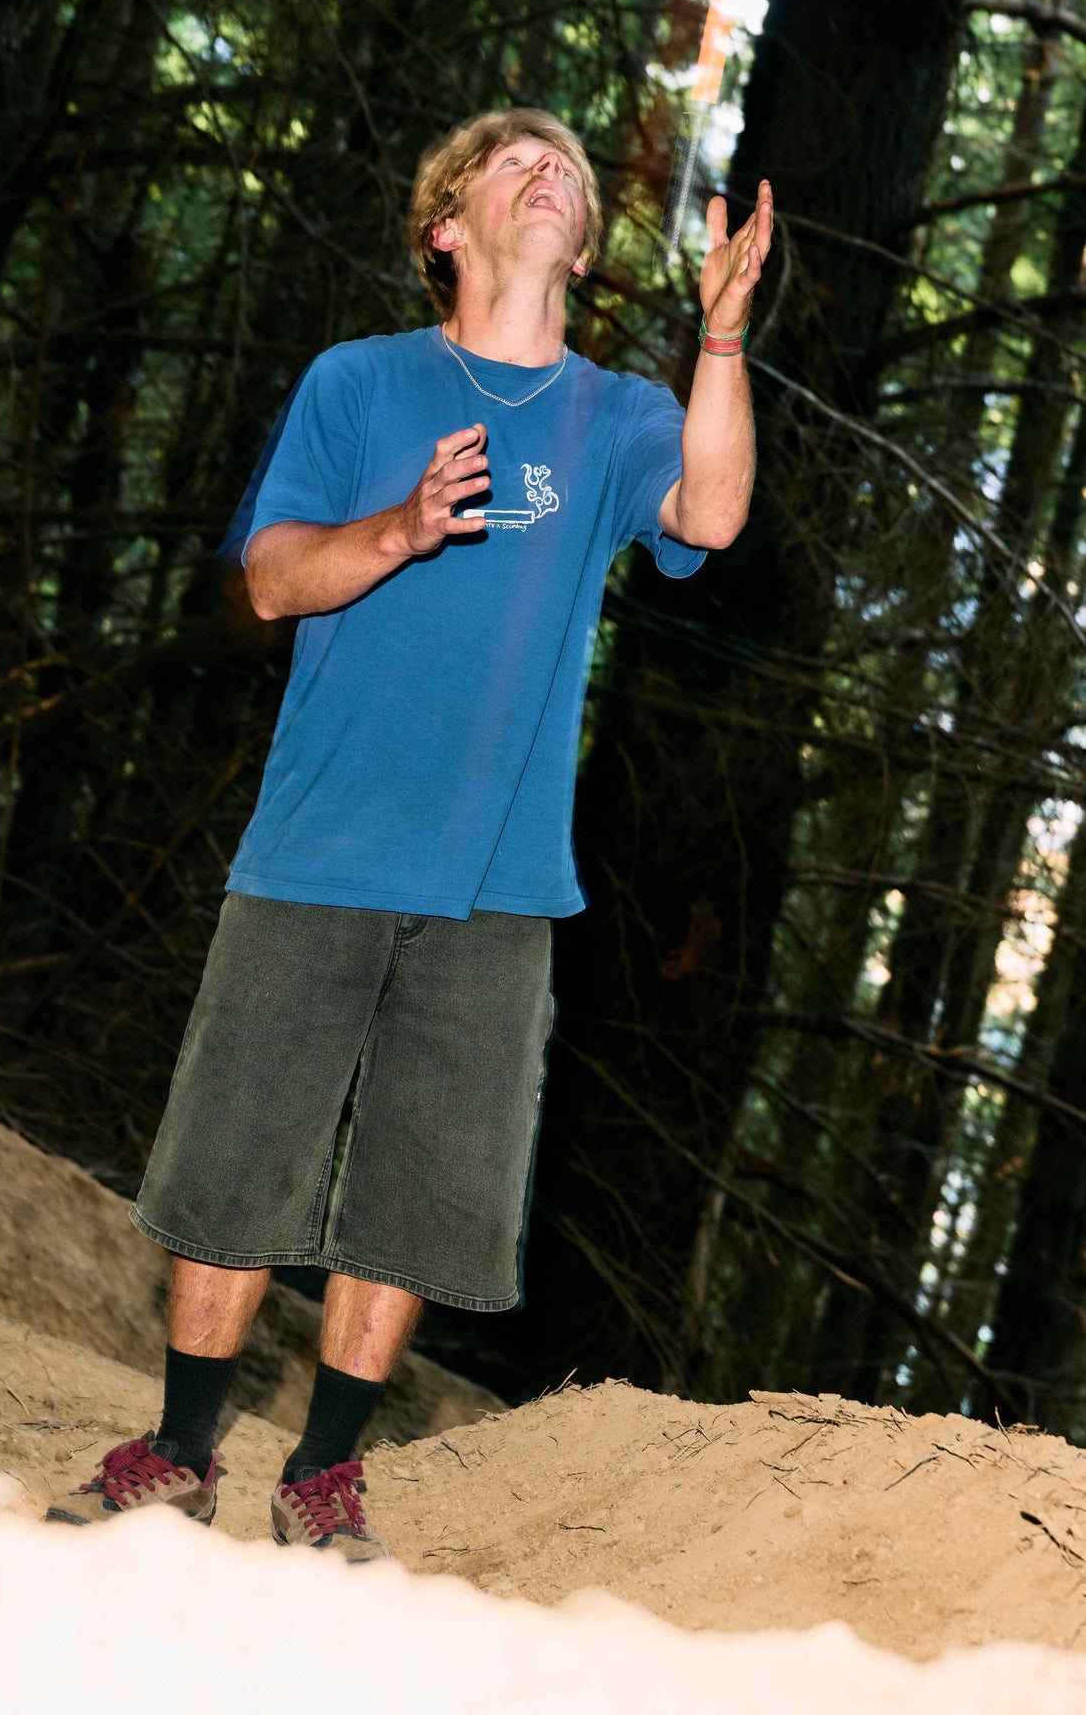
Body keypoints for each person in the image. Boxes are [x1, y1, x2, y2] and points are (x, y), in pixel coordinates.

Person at [45, 108, 771, 1560]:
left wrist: (723, 341)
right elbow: (268, 579)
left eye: (565, 163)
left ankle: (322, 1474)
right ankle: (180, 1446)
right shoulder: (359, 384)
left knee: (413, 1192)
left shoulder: (619, 413)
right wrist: (401, 528)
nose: (549, 169)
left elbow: (713, 507)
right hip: (320, 843)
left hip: (499, 882)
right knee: (242, 1156)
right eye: (514, 161)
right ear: (448, 226)